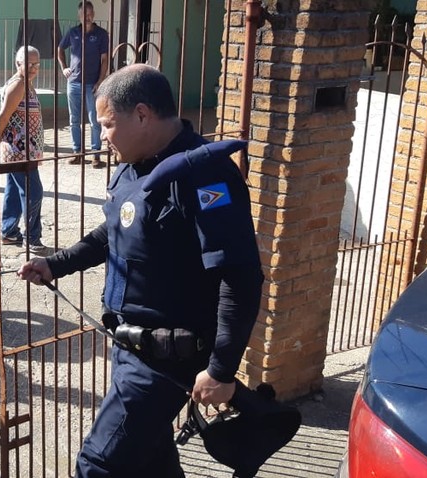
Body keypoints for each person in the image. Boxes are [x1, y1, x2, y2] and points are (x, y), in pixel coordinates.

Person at [17, 64, 264, 477]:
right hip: (129, 348)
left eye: (108, 124)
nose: (101, 136)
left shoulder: (205, 176)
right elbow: (112, 234)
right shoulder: (134, 165)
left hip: (165, 363)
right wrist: (54, 264)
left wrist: (221, 369)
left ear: (143, 115)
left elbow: (239, 276)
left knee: (98, 465)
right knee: (151, 463)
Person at [0, 46, 47, 254]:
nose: (34, 68)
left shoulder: (25, 83)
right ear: (18, 64)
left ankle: (8, 231)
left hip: (24, 149)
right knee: (33, 192)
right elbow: (3, 116)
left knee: (15, 191)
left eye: (37, 64)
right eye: (29, 64)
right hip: (19, 150)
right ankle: (32, 238)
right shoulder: (18, 85)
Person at [57, 1, 109, 168]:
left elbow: (105, 59)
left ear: (93, 14)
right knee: (74, 119)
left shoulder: (101, 34)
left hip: (92, 84)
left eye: (90, 14)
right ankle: (77, 152)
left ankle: (95, 154)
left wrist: (100, 81)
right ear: (79, 15)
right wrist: (64, 68)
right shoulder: (73, 32)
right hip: (73, 83)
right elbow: (60, 49)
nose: (87, 17)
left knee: (94, 119)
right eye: (84, 14)